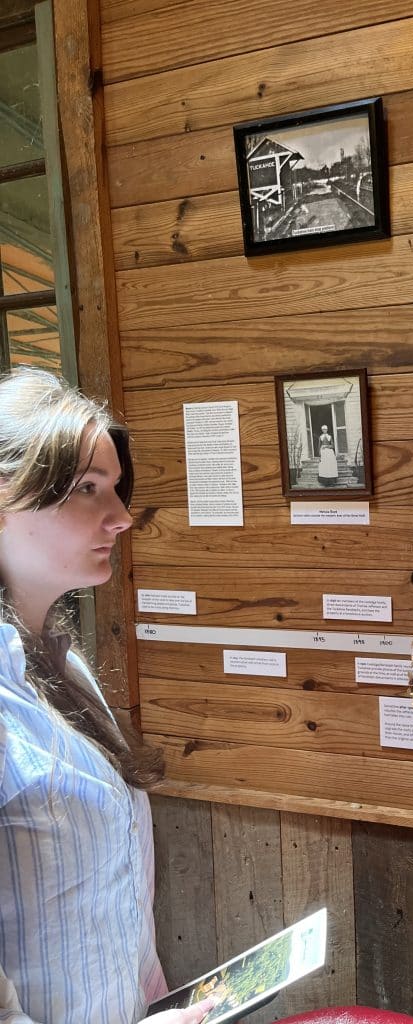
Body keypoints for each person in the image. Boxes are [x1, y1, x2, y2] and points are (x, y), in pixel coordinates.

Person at [0, 367, 214, 1024]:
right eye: (87, 489)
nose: (121, 518)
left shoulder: (65, 670)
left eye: (116, 489)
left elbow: (108, 910)